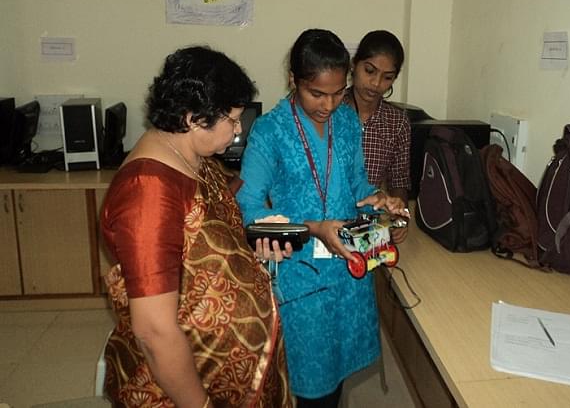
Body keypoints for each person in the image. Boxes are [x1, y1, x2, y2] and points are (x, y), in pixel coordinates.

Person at [100, 46, 292, 407]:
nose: (238, 130)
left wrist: (254, 245)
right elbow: (154, 331)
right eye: (232, 120)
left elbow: (202, 241)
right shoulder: (147, 193)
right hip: (183, 388)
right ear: (192, 118)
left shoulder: (189, 156)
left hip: (224, 367)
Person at [236, 29, 409, 407]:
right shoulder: (270, 131)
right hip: (301, 278)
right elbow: (248, 209)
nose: (328, 105)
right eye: (316, 93)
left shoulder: (346, 122)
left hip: (348, 270)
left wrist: (379, 201)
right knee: (310, 385)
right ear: (293, 80)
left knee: (337, 378)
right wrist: (313, 228)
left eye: (337, 92)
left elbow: (356, 183)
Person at [346, 30, 411, 243]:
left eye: (387, 77)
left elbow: (399, 180)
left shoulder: (397, 122)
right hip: (327, 219)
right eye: (369, 71)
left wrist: (399, 215)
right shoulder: (330, 110)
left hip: (370, 225)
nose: (376, 83)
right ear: (354, 65)